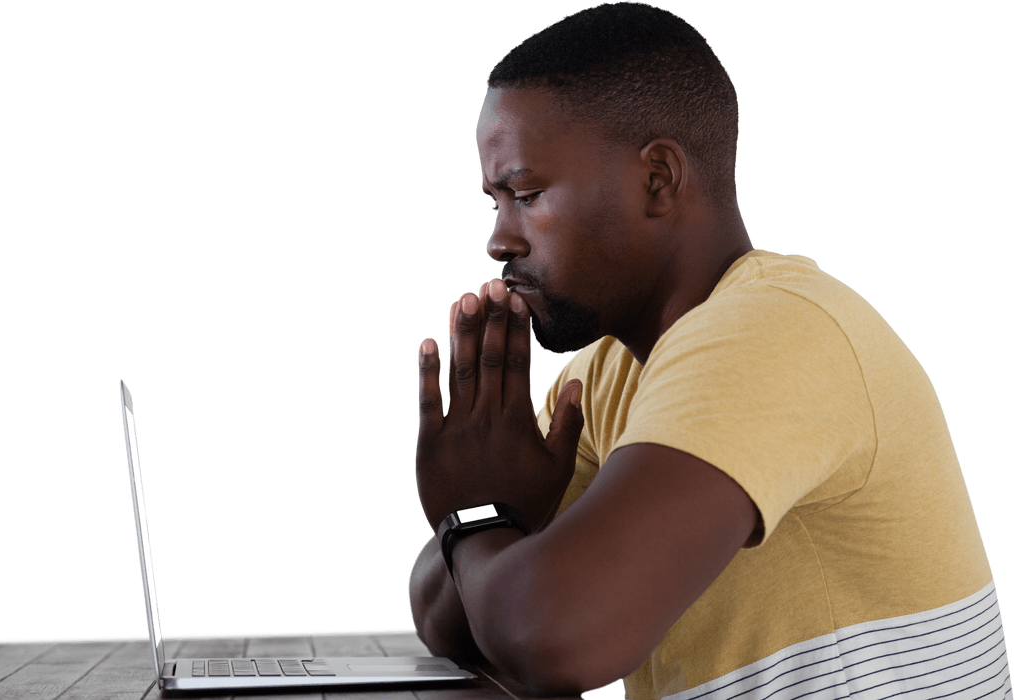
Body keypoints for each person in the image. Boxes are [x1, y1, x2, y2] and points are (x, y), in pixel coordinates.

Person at [407, 3, 1011, 698]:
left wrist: (479, 512)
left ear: (658, 179)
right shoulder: (603, 376)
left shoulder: (776, 332)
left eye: (528, 193)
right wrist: (492, 518)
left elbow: (557, 638)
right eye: (494, 203)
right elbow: (449, 617)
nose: (499, 241)